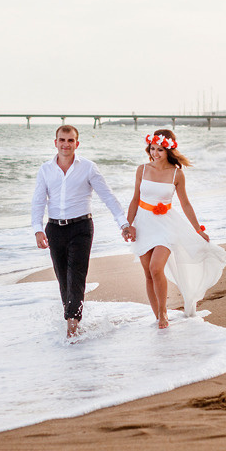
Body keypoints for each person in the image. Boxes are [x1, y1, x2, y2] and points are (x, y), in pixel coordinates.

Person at [32, 125, 136, 338]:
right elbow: (38, 201)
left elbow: (107, 196)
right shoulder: (45, 169)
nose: (66, 144)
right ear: (55, 143)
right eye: (62, 140)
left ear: (77, 144)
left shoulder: (88, 167)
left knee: (76, 275)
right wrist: (37, 229)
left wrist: (123, 224)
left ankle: (72, 328)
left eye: (70, 140)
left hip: (81, 228)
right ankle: (72, 318)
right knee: (63, 278)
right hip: (54, 229)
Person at [127, 129, 226, 329]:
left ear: (169, 150)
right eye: (152, 149)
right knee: (148, 273)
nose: (155, 153)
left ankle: (164, 313)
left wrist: (198, 230)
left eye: (160, 150)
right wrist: (128, 225)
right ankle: (157, 316)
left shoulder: (176, 173)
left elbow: (186, 204)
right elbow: (135, 199)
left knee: (156, 268)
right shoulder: (142, 170)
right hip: (143, 224)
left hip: (166, 225)